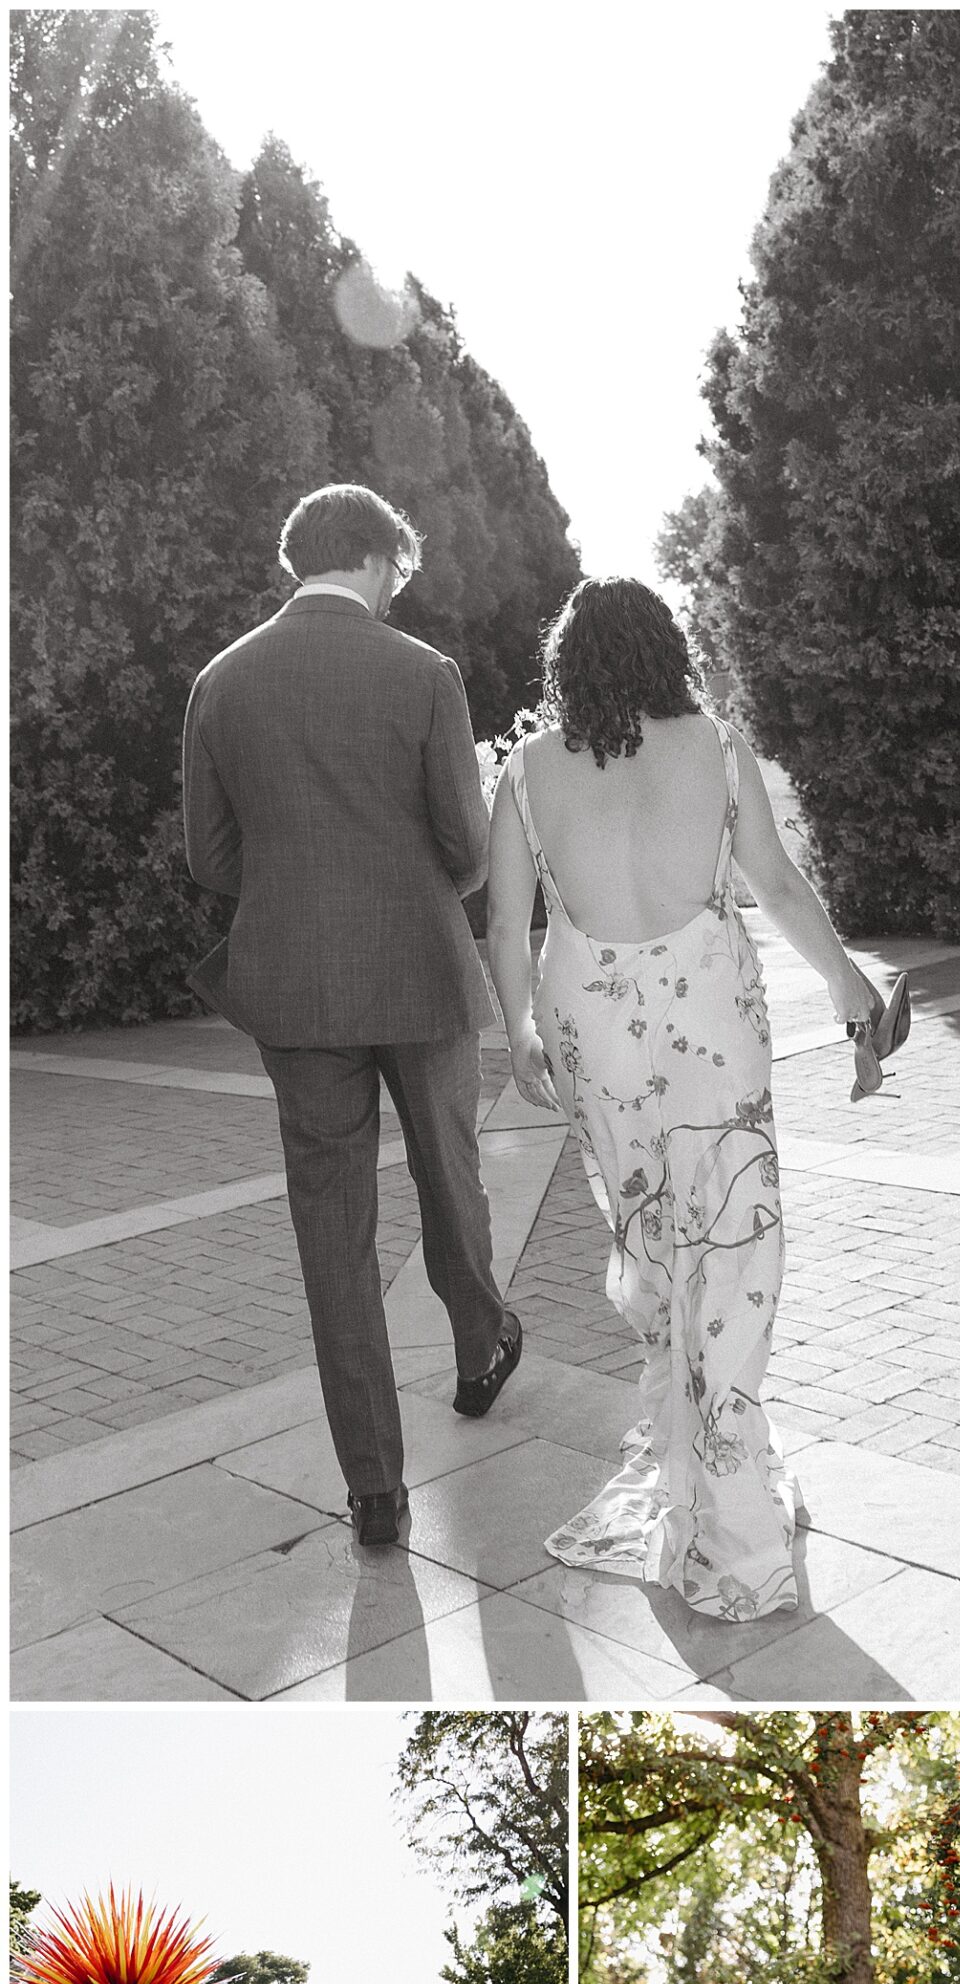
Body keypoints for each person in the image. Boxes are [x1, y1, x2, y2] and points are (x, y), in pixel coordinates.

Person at [485, 575, 875, 1619]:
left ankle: (694, 1453)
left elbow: (505, 922)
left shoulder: (526, 770)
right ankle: (730, 1497)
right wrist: (848, 985)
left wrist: (516, 1026)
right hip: (708, 1019)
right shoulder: (715, 748)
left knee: (651, 1238)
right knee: (734, 1243)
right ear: (668, 649)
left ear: (568, 662)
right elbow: (778, 888)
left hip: (592, 1028)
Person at [182, 482, 523, 1551]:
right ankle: (480, 1345)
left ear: (301, 560)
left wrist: (292, 892)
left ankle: (373, 1487)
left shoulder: (220, 681)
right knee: (450, 1177)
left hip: (294, 987)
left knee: (331, 1234)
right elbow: (467, 846)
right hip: (419, 972)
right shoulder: (423, 674)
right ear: (377, 558)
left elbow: (212, 857)